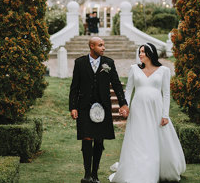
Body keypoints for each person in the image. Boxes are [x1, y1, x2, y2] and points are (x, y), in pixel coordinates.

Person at [109, 43, 186, 183]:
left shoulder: (164, 70)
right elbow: (129, 90)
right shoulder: (134, 69)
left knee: (155, 138)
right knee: (138, 138)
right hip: (138, 109)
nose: (140, 54)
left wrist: (165, 115)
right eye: (140, 52)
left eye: (143, 52)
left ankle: (157, 168)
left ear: (151, 53)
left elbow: (166, 94)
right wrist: (125, 107)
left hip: (156, 109)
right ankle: (137, 170)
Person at [69, 37, 130, 183]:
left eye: (104, 45)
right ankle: (87, 174)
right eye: (100, 45)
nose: (103, 48)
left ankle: (95, 175)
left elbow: (116, 84)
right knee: (86, 138)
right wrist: (73, 107)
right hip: (84, 107)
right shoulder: (80, 63)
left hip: (103, 108)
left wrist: (123, 103)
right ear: (92, 46)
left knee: (98, 139)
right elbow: (74, 87)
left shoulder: (108, 63)